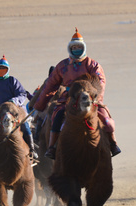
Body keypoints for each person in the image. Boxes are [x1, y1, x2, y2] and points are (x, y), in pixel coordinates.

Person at [33, 28, 121, 158]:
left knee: (105, 120)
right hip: (68, 100)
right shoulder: (62, 66)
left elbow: (100, 82)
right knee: (57, 118)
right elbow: (50, 85)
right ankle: (52, 147)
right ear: (69, 48)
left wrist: (95, 97)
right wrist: (40, 105)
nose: (76, 49)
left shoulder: (93, 65)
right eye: (73, 47)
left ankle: (113, 144)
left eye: (78, 47)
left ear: (83, 47)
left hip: (90, 99)